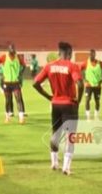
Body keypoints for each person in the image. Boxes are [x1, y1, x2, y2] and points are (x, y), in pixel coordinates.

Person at [33, 41, 84, 175]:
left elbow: (35, 83)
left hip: (55, 104)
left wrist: (49, 97)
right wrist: (78, 101)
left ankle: (54, 162)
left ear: (58, 53)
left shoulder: (49, 66)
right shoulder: (72, 66)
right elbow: (79, 83)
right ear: (69, 53)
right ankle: (66, 167)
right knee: (70, 136)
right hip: (69, 104)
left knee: (55, 134)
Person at [0, 44, 27, 124]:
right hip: (6, 82)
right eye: (11, 52)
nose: (12, 54)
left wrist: (20, 74)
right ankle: (7, 117)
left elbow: (24, 65)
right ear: (8, 51)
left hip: (15, 82)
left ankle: (21, 118)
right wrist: (0, 74)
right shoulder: (3, 57)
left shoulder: (18, 57)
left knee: (18, 99)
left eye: (13, 52)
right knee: (8, 100)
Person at [81, 49, 102, 119]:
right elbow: (79, 70)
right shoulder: (85, 63)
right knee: (87, 100)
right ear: (89, 55)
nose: (91, 56)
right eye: (90, 54)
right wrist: (84, 79)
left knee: (97, 101)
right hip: (88, 85)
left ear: (95, 55)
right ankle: (88, 117)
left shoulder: (99, 63)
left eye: (93, 54)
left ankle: (96, 116)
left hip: (97, 86)